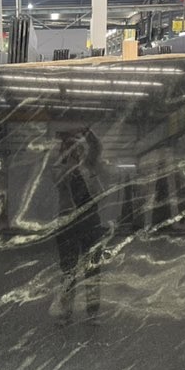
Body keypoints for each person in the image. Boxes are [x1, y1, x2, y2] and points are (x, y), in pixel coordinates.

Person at [49, 127, 105, 322]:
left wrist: (87, 132)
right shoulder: (58, 169)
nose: (73, 150)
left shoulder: (89, 165)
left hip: (90, 221)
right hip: (68, 224)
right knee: (68, 270)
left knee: (92, 268)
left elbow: (97, 147)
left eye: (75, 147)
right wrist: (66, 157)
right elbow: (58, 178)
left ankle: (93, 313)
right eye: (68, 148)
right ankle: (66, 312)